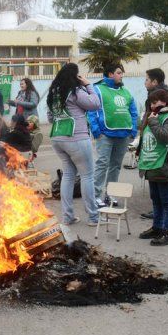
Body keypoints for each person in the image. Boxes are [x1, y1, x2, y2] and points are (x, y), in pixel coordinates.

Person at [47, 63, 102, 226]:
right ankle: (93, 217)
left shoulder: (54, 93)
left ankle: (67, 216)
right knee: (87, 176)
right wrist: (88, 84)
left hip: (57, 138)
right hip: (76, 137)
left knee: (68, 176)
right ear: (75, 76)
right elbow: (95, 103)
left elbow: (50, 118)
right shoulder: (74, 91)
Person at [137, 89, 168, 246]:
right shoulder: (154, 116)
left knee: (166, 200)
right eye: (151, 102)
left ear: (165, 101)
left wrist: (153, 122)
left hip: (165, 163)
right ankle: (157, 227)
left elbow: (165, 136)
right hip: (151, 163)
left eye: (156, 101)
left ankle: (167, 233)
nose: (153, 105)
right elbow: (146, 137)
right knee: (155, 199)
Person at [88, 63, 139, 208]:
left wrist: (133, 129)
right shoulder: (98, 89)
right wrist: (96, 129)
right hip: (105, 134)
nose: (121, 75)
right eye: (119, 72)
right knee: (102, 164)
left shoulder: (125, 92)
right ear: (110, 74)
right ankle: (96, 195)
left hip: (123, 134)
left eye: (121, 73)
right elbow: (91, 110)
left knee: (115, 165)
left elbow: (133, 111)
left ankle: (110, 195)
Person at [140, 68, 168, 219]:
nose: (144, 82)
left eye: (147, 79)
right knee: (155, 192)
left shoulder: (164, 104)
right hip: (151, 150)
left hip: (161, 154)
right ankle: (158, 223)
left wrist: (150, 122)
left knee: (164, 195)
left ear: (155, 82)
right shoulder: (153, 97)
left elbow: (164, 133)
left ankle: (166, 227)